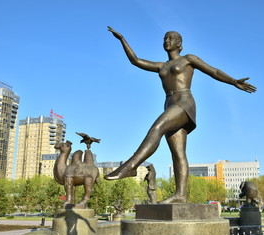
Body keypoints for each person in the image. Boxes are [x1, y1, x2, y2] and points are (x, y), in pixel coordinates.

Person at [104, 27, 256, 203]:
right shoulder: (161, 66)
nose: (167, 40)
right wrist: (122, 39)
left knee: (157, 128)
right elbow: (135, 61)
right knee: (178, 154)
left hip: (184, 102)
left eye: (171, 38)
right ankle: (181, 194)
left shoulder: (188, 59)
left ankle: (131, 166)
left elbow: (213, 71)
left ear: (180, 44)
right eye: (165, 38)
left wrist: (233, 81)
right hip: (169, 104)